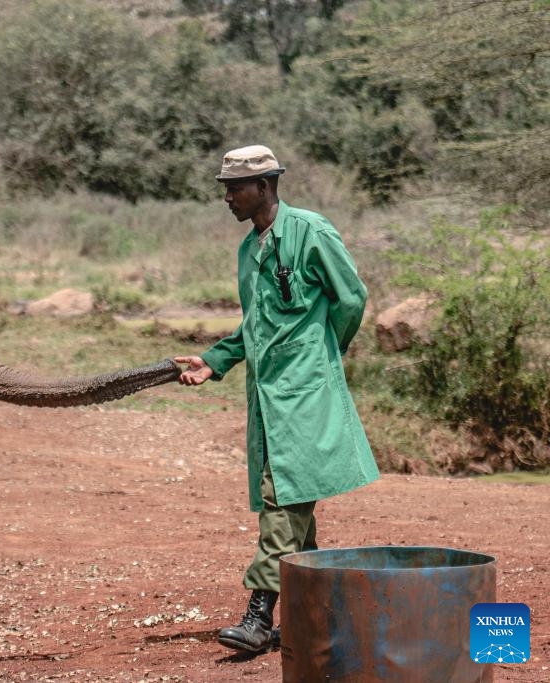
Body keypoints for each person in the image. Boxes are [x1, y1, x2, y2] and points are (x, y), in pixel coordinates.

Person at [172, 145, 379, 654]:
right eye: (225, 187)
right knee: (294, 501)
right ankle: (320, 616)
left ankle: (259, 616)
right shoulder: (249, 250)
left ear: (264, 186)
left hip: (307, 392)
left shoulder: (311, 231)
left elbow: (351, 298)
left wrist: (323, 349)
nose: (226, 197)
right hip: (267, 399)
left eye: (234, 187)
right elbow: (256, 326)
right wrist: (215, 359)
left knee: (281, 497)